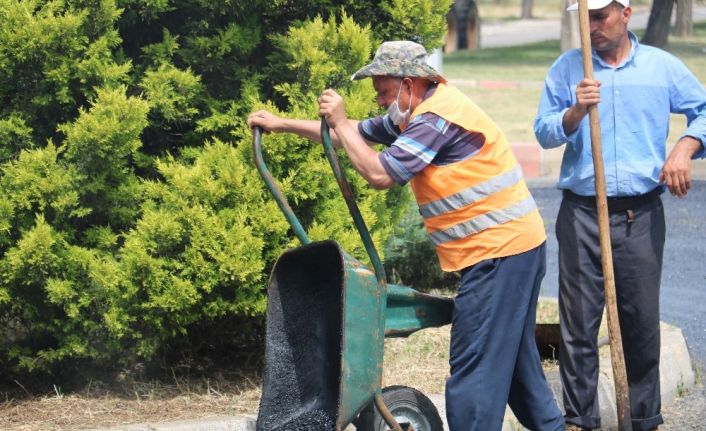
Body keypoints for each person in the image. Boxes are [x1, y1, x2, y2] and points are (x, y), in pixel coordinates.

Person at [249, 40, 564, 431]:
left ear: (409, 84)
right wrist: (282, 124)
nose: (380, 102)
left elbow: (381, 174)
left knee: (475, 369)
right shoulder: (414, 115)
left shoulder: (437, 119)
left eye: (383, 92)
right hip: (513, 249)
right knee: (515, 365)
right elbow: (352, 135)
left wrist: (342, 123)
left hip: (499, 253)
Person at [533, 0, 706, 430]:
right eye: (584, 18)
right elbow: (543, 130)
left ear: (625, 15)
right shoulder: (568, 69)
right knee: (578, 328)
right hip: (581, 215)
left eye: (599, 16)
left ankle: (644, 419)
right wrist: (574, 111)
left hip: (640, 215)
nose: (590, 27)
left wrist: (685, 148)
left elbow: (704, 112)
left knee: (640, 323)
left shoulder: (660, 68)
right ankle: (579, 420)